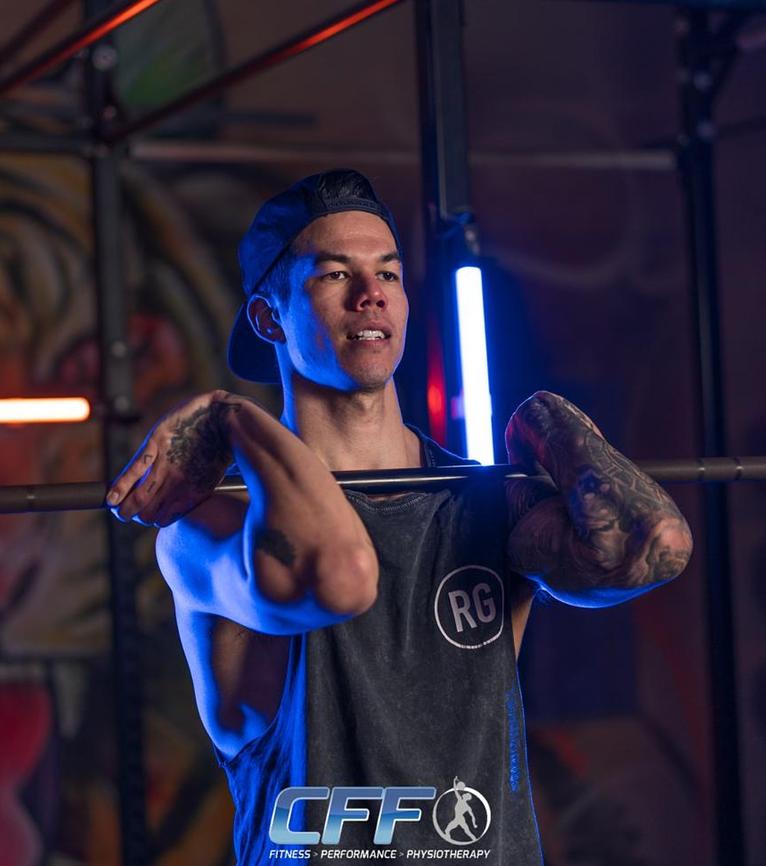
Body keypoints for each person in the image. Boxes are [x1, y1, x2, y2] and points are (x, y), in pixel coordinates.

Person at [106, 169, 693, 864]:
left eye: (388, 272)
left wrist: (551, 419)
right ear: (269, 318)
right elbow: (339, 574)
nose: (371, 293)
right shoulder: (209, 528)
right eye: (334, 274)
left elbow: (651, 545)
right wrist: (234, 419)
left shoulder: (486, 502)